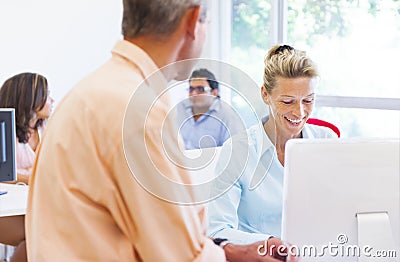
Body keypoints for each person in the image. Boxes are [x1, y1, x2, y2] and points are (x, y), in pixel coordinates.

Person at [26, 1, 290, 261]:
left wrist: (229, 250)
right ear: (193, 21)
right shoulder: (139, 111)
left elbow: (157, 234)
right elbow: (181, 257)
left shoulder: (93, 91)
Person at [207, 44, 337, 245]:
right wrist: (269, 243)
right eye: (287, 102)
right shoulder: (238, 151)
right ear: (265, 94)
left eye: (308, 100)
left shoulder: (327, 142)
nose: (300, 112)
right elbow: (218, 230)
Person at [0, 72, 54, 262]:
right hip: (9, 209)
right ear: (31, 99)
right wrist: (34, 176)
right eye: (47, 96)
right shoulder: (5, 131)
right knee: (39, 236)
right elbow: (4, 174)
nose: (52, 100)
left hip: (32, 203)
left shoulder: (45, 130)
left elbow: (52, 171)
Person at [176, 68, 244, 149]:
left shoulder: (228, 116)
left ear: (214, 93)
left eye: (200, 89)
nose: (194, 93)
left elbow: (234, 150)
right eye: (191, 89)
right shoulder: (180, 108)